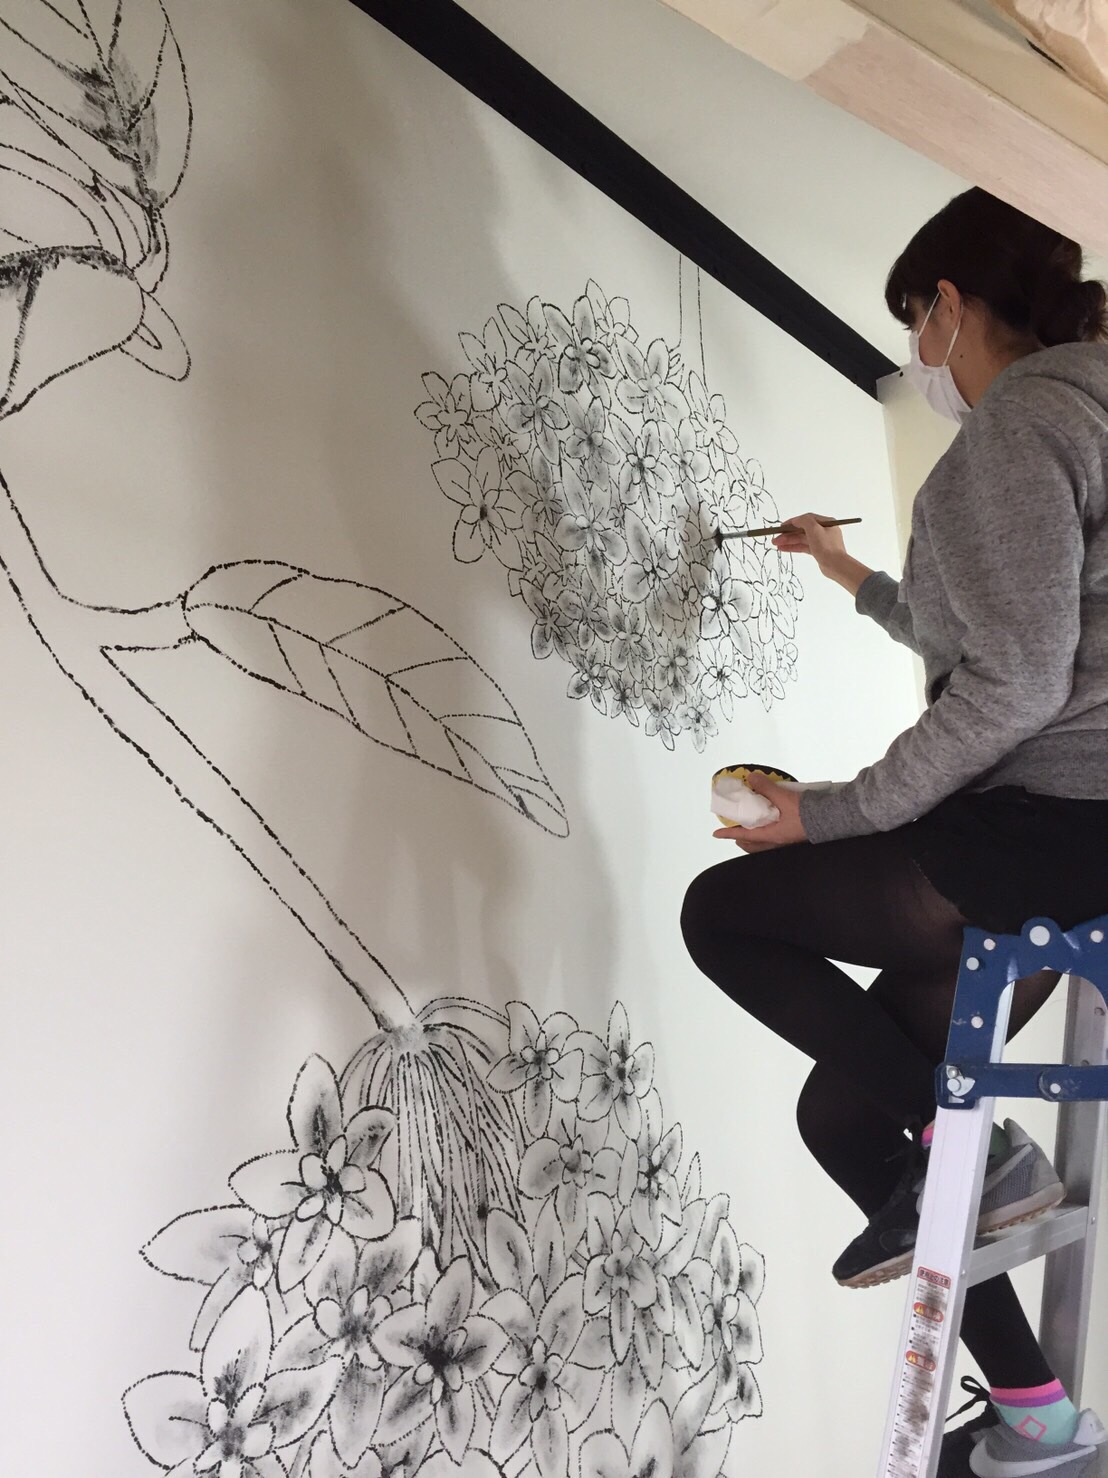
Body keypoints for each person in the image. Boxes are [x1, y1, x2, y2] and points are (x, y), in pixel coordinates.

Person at [680, 187, 1108, 1478]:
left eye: (917, 321)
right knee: (844, 1110)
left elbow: (1014, 682)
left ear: (950, 305)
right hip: (1075, 849)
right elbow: (994, 625)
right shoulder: (1088, 412)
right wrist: (851, 574)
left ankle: (978, 1149)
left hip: (1047, 832)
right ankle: (1038, 1415)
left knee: (721, 913)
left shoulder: (1021, 424)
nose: (921, 354)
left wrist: (827, 812)